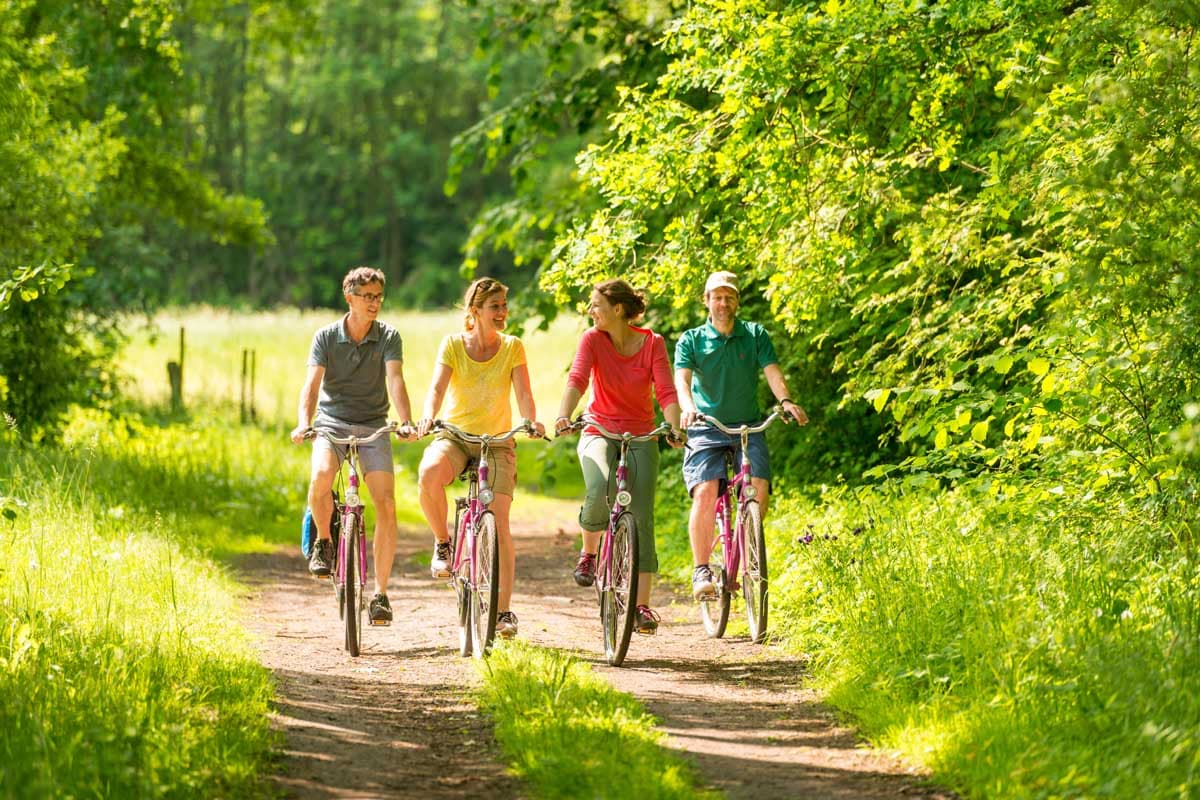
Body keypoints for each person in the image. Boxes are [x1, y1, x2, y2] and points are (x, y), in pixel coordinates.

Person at [415, 277, 545, 640]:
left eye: (504, 305)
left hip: (498, 442)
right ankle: (443, 541)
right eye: (495, 307)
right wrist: (428, 414)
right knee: (428, 473)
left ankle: (503, 612)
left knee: (499, 521)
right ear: (475, 311)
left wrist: (531, 421)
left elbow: (524, 394)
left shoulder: (512, 347)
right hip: (456, 436)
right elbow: (437, 388)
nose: (503, 312)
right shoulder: (454, 345)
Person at [554, 279, 684, 635]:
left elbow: (666, 389)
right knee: (599, 486)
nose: (591, 311)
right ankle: (589, 553)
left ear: (618, 309)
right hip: (599, 429)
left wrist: (672, 427)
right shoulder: (592, 339)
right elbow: (578, 379)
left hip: (641, 433)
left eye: (596, 305)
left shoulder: (652, 343)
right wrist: (564, 415)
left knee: (641, 517)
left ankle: (641, 606)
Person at [290, 266, 416, 626]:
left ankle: (380, 594)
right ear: (350, 297)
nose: (374, 303)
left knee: (387, 504)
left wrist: (405, 421)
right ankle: (325, 542)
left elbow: (396, 380)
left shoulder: (389, 336)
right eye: (367, 296)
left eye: (378, 296)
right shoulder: (326, 337)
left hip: (374, 424)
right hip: (332, 423)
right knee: (321, 477)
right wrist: (304, 423)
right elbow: (311, 387)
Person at [673, 270, 808, 600]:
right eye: (717, 296)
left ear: (737, 301)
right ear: (706, 301)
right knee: (706, 491)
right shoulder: (691, 339)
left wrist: (786, 401)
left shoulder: (755, 334)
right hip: (707, 428)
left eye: (729, 296)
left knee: (758, 488)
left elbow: (773, 372)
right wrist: (687, 408)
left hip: (748, 427)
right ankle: (702, 569)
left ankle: (747, 550)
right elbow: (682, 381)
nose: (723, 302)